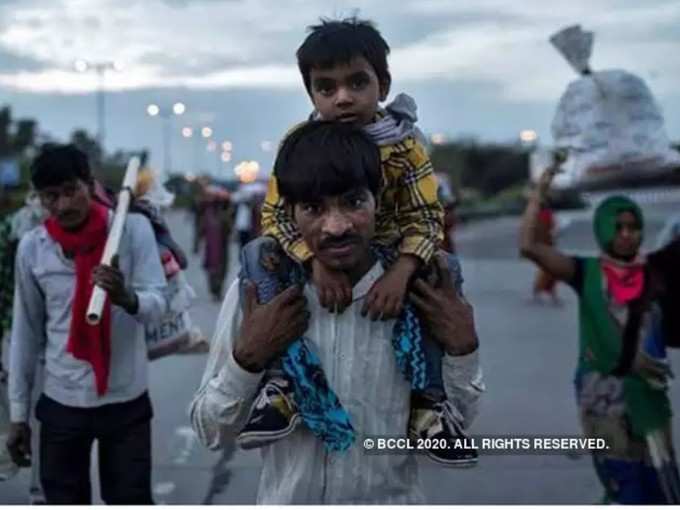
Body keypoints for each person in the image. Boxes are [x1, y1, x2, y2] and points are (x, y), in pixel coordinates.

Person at [189, 122, 483, 504]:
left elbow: (457, 419)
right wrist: (249, 359)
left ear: (379, 199)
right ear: (289, 213)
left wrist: (464, 350)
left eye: (353, 202)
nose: (337, 226)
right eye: (313, 208)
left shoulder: (421, 293)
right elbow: (211, 430)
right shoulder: (262, 295)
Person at [244, 17, 471, 465]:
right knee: (257, 253)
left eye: (357, 82)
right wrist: (315, 262)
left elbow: (426, 216)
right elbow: (276, 214)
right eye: (326, 88)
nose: (343, 97)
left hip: (389, 254)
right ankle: (280, 384)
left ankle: (429, 403)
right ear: (311, 94)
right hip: (319, 253)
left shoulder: (405, 147)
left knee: (448, 267)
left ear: (382, 84)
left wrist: (402, 272)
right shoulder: (300, 144)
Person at [6, 144, 167, 505]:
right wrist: (19, 415)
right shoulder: (33, 247)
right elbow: (25, 335)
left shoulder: (132, 230)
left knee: (130, 499)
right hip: (62, 402)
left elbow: (158, 306)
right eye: (50, 197)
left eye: (70, 191)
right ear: (39, 199)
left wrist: (126, 297)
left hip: (126, 401)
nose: (62, 205)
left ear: (89, 185)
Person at [520, 167, 679, 504]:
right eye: (618, 227)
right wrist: (539, 195)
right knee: (623, 484)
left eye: (633, 227)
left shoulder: (657, 270)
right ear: (602, 229)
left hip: (650, 398)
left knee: (659, 486)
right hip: (602, 399)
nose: (626, 235)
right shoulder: (585, 271)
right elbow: (530, 246)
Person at [200, 185, 233, 301]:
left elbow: (229, 229)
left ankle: (217, 290)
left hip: (221, 246)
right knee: (214, 269)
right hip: (212, 247)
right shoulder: (208, 212)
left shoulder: (224, 213)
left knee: (220, 269)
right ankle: (215, 290)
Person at [531, 199, 561, 305]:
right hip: (547, 244)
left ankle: (541, 291)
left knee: (547, 269)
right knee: (549, 270)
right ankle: (548, 292)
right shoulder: (547, 214)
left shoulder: (536, 215)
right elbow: (554, 228)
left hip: (542, 244)